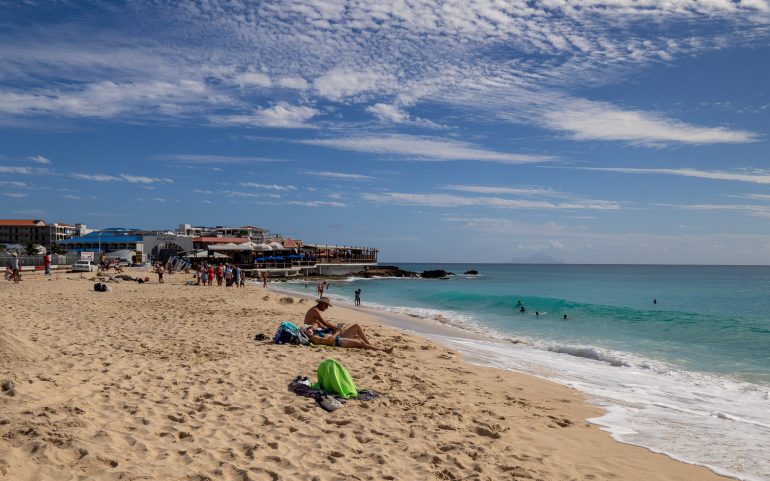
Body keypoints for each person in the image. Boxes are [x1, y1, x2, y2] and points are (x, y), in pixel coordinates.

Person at [302, 297, 392, 353]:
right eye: (326, 306)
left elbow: (323, 326)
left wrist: (336, 328)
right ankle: (379, 350)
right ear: (321, 304)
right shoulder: (315, 311)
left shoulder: (315, 313)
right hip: (329, 337)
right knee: (359, 342)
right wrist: (337, 329)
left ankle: (371, 345)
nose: (326, 308)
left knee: (356, 326)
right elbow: (325, 323)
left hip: (328, 334)